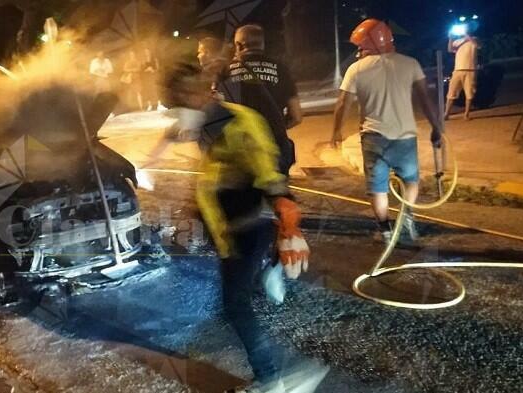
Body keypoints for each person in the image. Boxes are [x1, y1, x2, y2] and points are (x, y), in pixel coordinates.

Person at [159, 64, 310, 393]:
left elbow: (267, 170)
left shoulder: (238, 123)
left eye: (181, 104)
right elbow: (208, 157)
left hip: (246, 230)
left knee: (235, 305)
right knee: (240, 296)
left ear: (197, 94)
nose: (178, 113)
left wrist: (284, 207)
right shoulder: (210, 122)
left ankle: (271, 380)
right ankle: (269, 270)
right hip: (231, 230)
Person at [330, 19, 443, 243]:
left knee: (377, 187)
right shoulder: (410, 64)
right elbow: (426, 99)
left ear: (372, 44)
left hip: (373, 138)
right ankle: (407, 218)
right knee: (411, 180)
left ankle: (384, 230)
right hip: (405, 137)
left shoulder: (356, 70)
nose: (358, 53)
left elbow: (343, 103)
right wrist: (436, 127)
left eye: (360, 48)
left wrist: (336, 132)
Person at [216, 24, 301, 176]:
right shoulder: (281, 69)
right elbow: (297, 116)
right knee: (277, 197)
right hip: (275, 150)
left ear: (238, 45)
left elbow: (215, 114)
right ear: (262, 44)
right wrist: (273, 128)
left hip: (239, 155)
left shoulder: (225, 71)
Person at [446, 31, 479, 120]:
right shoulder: (457, 41)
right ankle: (446, 114)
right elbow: (450, 49)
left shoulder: (474, 39)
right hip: (457, 70)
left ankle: (466, 114)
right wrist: (451, 38)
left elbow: (476, 45)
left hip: (470, 70)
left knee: (469, 93)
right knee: (451, 93)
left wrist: (466, 35)